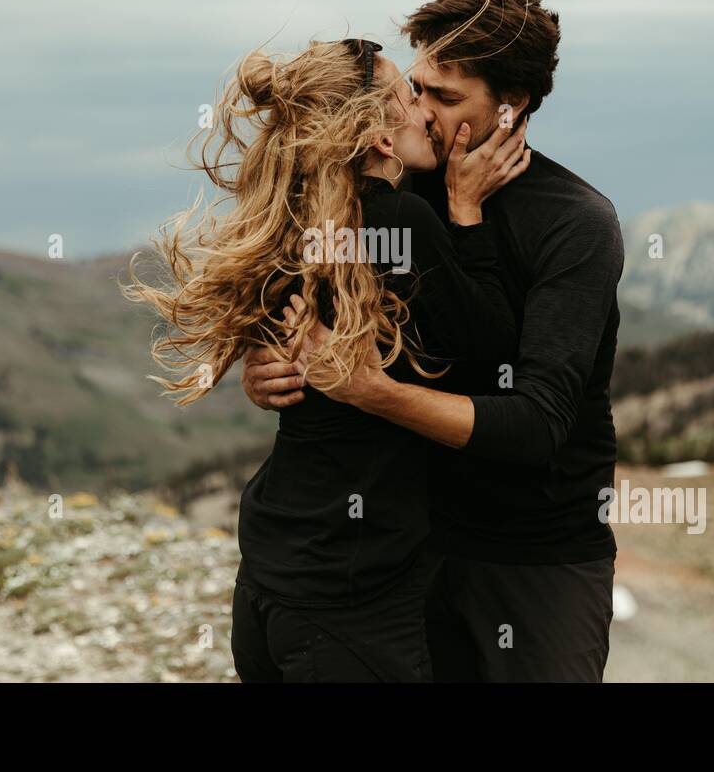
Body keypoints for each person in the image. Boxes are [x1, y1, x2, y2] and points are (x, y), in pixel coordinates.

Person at [243, 0, 625, 682]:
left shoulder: (576, 222)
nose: (420, 110)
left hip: (534, 556)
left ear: (510, 108)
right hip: (405, 553)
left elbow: (537, 424)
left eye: (445, 98)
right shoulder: (398, 184)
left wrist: (368, 392)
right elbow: (301, 285)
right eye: (416, 88)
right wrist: (268, 367)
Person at [124, 35, 529, 681]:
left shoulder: (289, 223)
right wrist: (465, 211)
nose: (426, 110)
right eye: (410, 96)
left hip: (273, 563)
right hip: (351, 588)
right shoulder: (403, 221)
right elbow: (500, 360)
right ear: (381, 139)